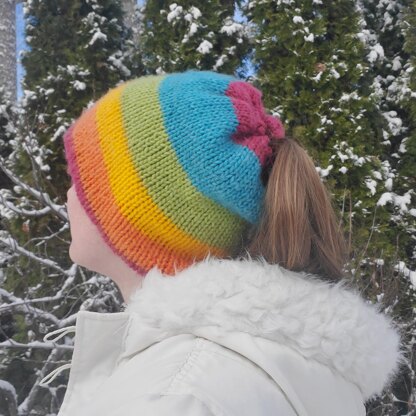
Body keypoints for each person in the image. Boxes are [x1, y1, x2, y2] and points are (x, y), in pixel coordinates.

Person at [40, 70, 403, 415]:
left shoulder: (175, 395)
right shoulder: (260, 367)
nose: (69, 195)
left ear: (139, 216)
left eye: (82, 179)